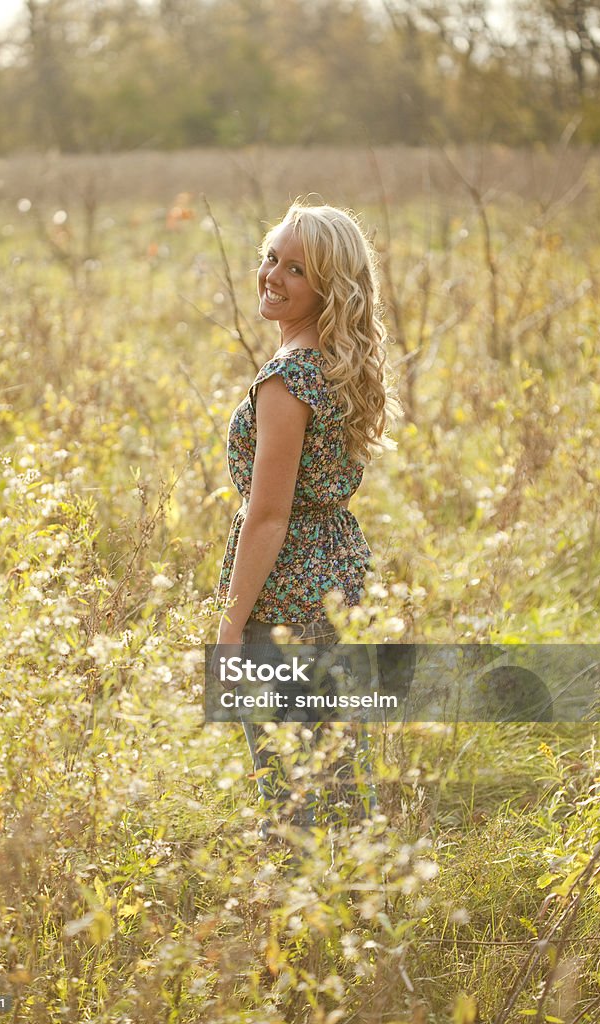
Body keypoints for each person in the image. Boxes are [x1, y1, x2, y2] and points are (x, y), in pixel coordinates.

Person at [212, 200, 400, 839]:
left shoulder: (287, 380)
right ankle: (357, 903)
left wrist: (231, 625)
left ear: (328, 288)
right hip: (338, 577)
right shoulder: (338, 364)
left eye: (295, 269)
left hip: (285, 593)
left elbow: (268, 515)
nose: (272, 275)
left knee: (288, 778)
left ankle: (302, 923)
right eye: (271, 258)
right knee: (340, 760)